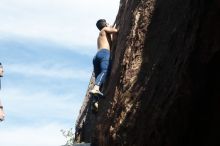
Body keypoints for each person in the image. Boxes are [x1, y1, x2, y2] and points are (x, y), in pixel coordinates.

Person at [89, 19, 118, 96]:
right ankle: (96, 89)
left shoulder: (100, 36)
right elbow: (115, 31)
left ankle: (94, 102)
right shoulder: (105, 29)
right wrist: (110, 27)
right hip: (104, 53)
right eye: (107, 23)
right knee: (105, 70)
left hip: (97, 56)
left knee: (99, 77)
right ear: (105, 25)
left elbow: (113, 41)